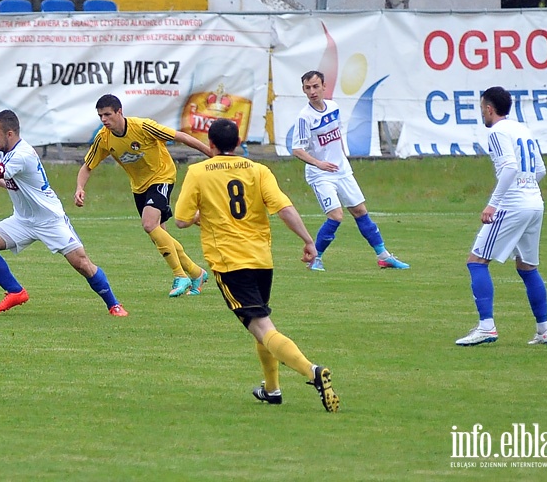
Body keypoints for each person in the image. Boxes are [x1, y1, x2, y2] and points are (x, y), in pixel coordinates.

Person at [174, 118, 339, 411]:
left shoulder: (198, 172)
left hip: (229, 263)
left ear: (210, 145)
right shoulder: (258, 170)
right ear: (238, 143)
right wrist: (308, 241)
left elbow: (182, 220)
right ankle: (272, 390)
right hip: (262, 260)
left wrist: (205, 216)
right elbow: (284, 208)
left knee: (262, 327)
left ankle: (312, 371)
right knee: (261, 324)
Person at [0, 109, 128, 317]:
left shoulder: (22, 154)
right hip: (22, 220)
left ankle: (114, 305)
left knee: (82, 264)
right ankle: (15, 292)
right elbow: (3, 179)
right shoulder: (5, 150)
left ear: (9, 133)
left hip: (49, 220)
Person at [74, 93, 213, 298]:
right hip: (139, 187)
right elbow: (87, 166)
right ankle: (196, 272)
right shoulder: (103, 138)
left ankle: (180, 275)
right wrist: (79, 188)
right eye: (100, 116)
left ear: (119, 112)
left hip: (162, 176)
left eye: (107, 115)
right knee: (159, 235)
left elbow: (180, 136)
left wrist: (210, 153)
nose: (104, 120)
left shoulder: (143, 126)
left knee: (149, 225)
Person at [455, 86, 547, 346]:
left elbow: (509, 166)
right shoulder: (522, 129)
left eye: (482, 109)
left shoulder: (497, 132)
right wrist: (527, 186)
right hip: (535, 202)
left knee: (476, 261)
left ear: (489, 108)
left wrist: (493, 204)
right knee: (527, 267)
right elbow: (540, 169)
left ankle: (487, 327)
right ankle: (544, 330)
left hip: (514, 204)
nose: (482, 115)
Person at [291, 70, 409, 272]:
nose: (312, 91)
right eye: (308, 88)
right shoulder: (305, 118)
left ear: (324, 87)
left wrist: (342, 157)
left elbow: (336, 136)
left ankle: (384, 256)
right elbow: (297, 149)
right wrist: (319, 164)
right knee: (336, 216)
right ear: (303, 90)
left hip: (341, 169)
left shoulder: (334, 108)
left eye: (315, 86)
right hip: (320, 174)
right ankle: (316, 258)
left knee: (360, 211)